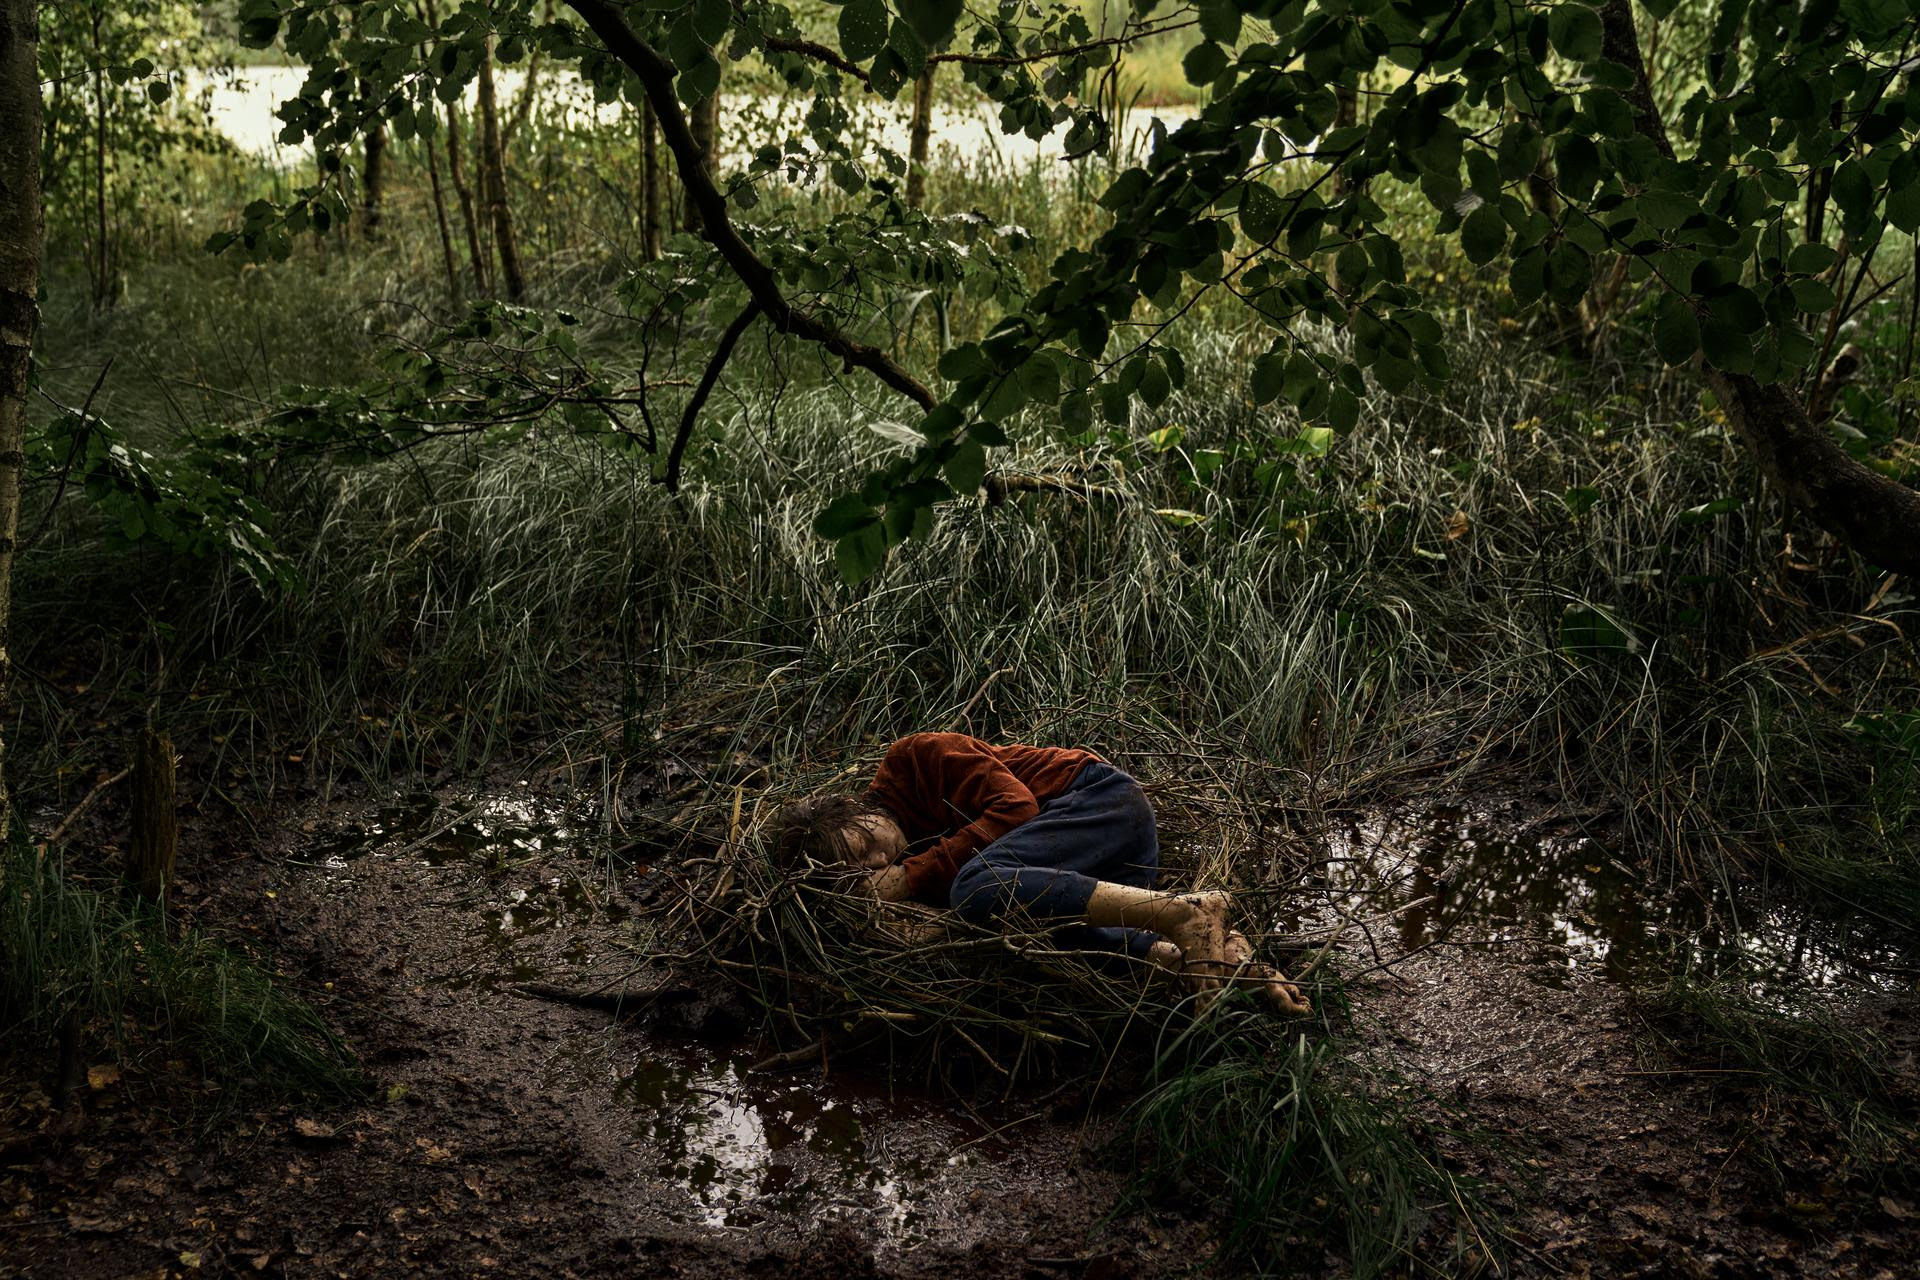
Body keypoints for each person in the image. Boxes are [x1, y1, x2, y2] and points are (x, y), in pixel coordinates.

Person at [767, 732, 1309, 1014]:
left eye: (862, 844)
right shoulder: (917, 849)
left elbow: (1017, 810)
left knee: (977, 889)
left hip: (1099, 802)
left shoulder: (915, 758)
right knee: (1037, 928)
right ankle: (1230, 962)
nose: (878, 864)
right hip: (1099, 871)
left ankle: (1182, 912)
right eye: (858, 872)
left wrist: (911, 879)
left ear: (854, 808)